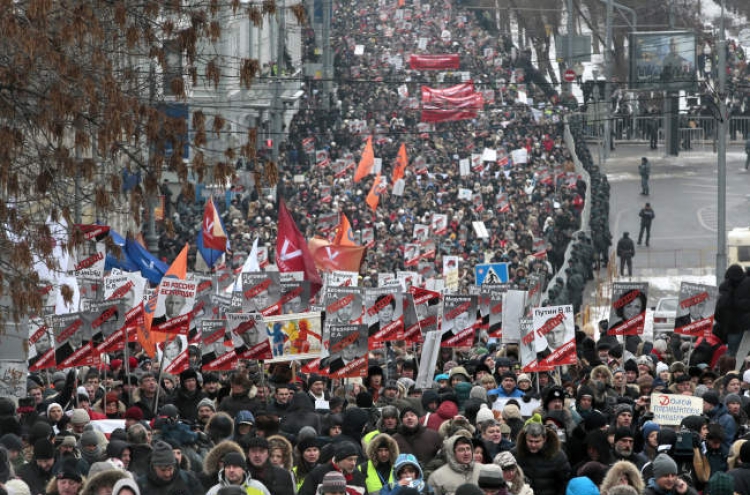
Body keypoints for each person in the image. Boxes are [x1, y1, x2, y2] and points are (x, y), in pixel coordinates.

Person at [205, 451, 270, 495]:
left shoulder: (258, 488)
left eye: (235, 467)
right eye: (228, 467)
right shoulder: (214, 491)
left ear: (243, 469)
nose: (231, 470)